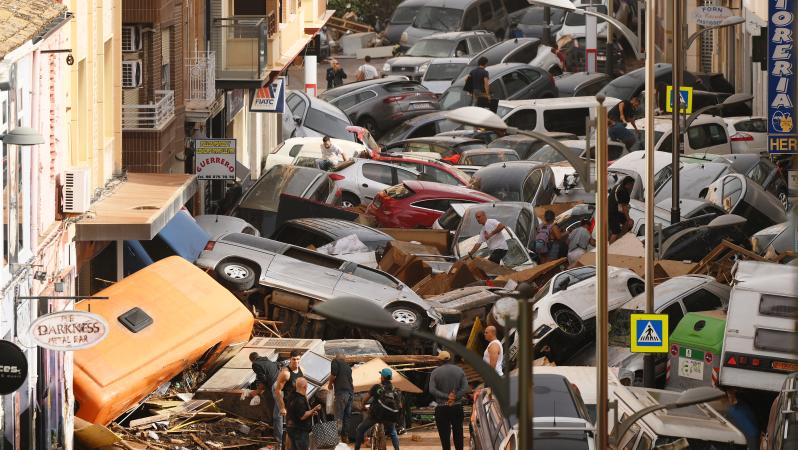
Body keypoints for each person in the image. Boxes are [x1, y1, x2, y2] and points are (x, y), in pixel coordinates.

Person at [428, 351, 469, 450]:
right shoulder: (459, 370)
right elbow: (465, 388)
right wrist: (455, 397)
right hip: (456, 406)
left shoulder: (435, 372)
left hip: (442, 408)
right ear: (450, 359)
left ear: (439, 360)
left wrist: (446, 396)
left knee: (444, 435)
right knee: (458, 433)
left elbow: (432, 390)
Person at [354, 368, 401, 450]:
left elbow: (365, 399)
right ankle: (397, 449)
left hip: (376, 415)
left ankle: (356, 449)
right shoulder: (395, 390)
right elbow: (400, 405)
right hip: (389, 417)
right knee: (393, 432)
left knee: (360, 429)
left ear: (382, 377)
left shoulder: (376, 387)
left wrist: (363, 406)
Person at [274, 350, 305, 450]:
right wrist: (282, 407)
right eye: (294, 359)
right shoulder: (285, 373)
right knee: (290, 431)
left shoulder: (302, 370)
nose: (296, 362)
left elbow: (303, 388)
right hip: (290, 405)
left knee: (300, 429)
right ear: (290, 359)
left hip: (300, 405)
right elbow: (278, 391)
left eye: (298, 359)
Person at [285, 377, 322, 450]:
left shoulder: (291, 396)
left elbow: (296, 412)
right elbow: (302, 416)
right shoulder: (300, 400)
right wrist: (314, 409)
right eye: (307, 386)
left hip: (291, 429)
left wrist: (311, 412)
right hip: (300, 431)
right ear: (305, 387)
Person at [328, 353, 354, 442]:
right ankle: (345, 438)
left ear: (337, 358)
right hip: (350, 394)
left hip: (341, 393)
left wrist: (330, 384)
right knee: (347, 417)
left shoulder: (335, 362)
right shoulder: (348, 367)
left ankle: (337, 439)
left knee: (338, 416)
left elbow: (333, 375)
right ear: (344, 359)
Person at [608, 176, 634, 244]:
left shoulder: (618, 186)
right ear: (628, 184)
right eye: (632, 185)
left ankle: (622, 240)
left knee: (626, 223)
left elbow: (621, 205)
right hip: (612, 212)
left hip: (613, 209)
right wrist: (629, 219)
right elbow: (624, 208)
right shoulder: (623, 192)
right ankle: (610, 249)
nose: (632, 187)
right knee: (616, 231)